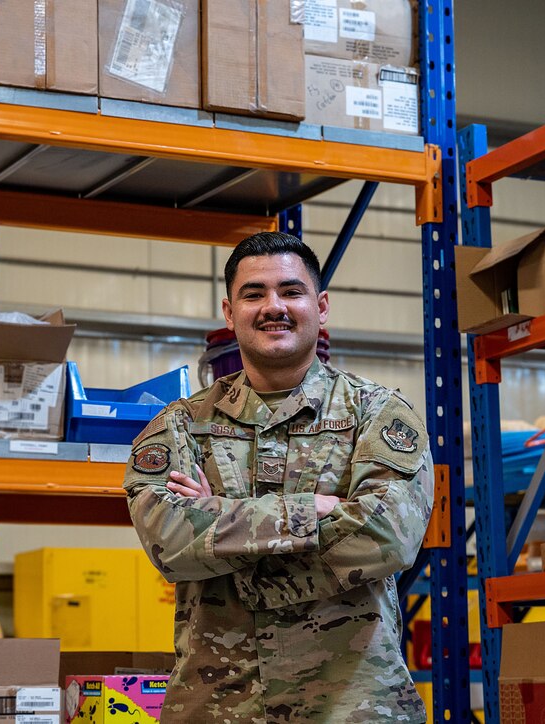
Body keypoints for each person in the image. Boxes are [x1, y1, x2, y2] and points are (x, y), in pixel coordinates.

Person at [124, 231, 434, 723]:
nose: (274, 307)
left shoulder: (376, 414)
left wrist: (222, 520)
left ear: (321, 306)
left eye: (291, 291)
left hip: (352, 705)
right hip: (218, 705)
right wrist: (313, 511)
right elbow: (171, 541)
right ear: (230, 313)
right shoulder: (180, 424)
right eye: (254, 294)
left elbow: (387, 536)